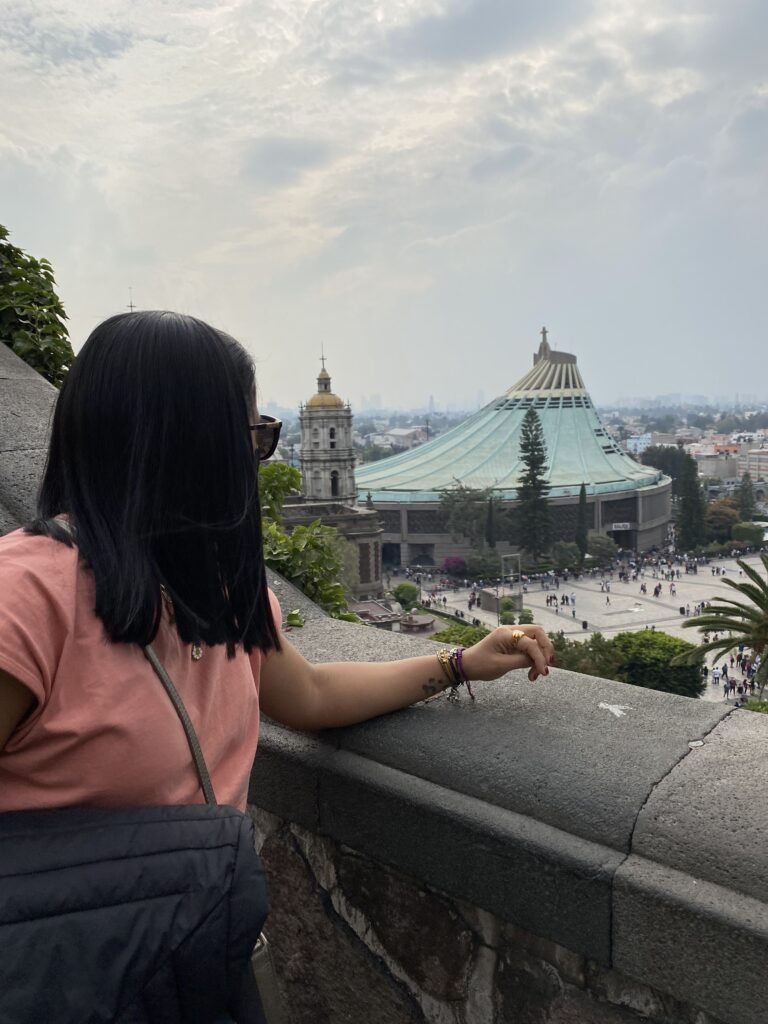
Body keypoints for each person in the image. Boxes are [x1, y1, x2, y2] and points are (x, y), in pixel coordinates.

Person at [0, 312, 555, 1013]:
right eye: (251, 437)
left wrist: (458, 664)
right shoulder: (24, 597)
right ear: (184, 444)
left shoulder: (221, 589)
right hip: (63, 980)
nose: (254, 460)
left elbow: (312, 694)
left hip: (191, 961)